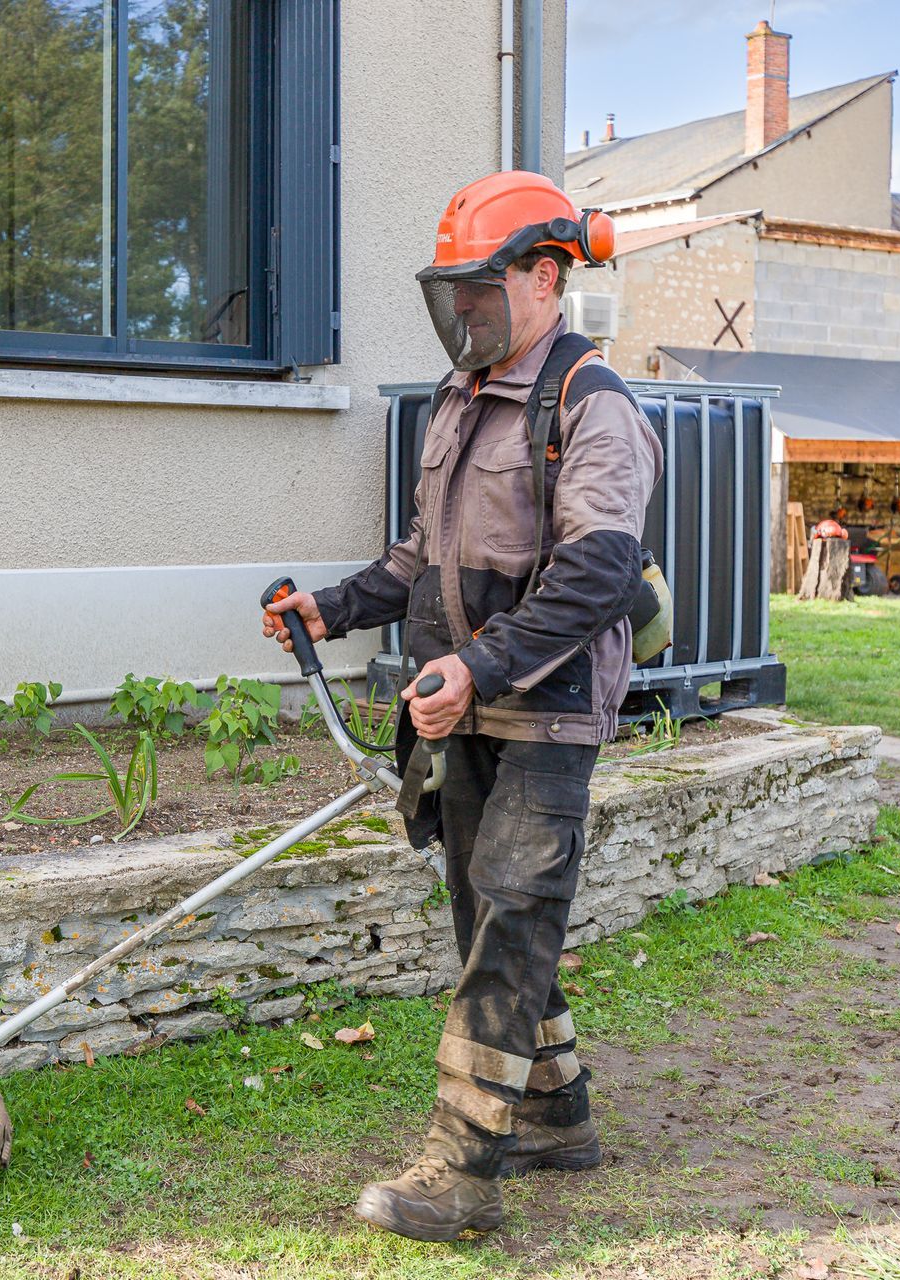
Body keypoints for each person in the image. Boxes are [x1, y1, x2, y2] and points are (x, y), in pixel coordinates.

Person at [264, 171, 664, 1242]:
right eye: (454, 292)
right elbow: (422, 554)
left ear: (547, 277)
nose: (465, 310)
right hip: (466, 700)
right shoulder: (460, 396)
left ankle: (462, 1167)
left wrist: (479, 668)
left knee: (514, 913)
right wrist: (334, 606)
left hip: (547, 706)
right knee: (488, 915)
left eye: (482, 288)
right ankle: (556, 1115)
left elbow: (594, 575)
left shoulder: (592, 404)